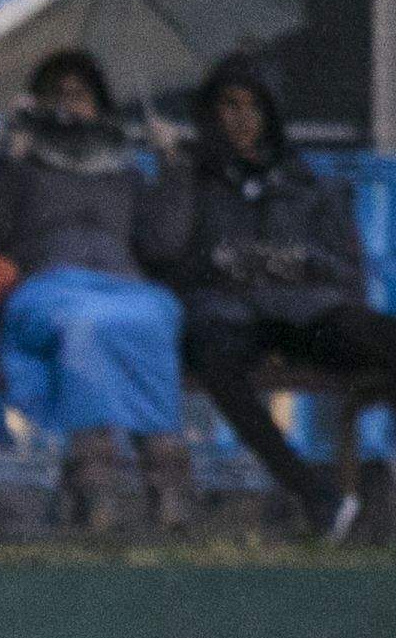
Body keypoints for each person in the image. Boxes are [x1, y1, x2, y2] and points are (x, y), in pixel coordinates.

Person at [142, 49, 394, 538]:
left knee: (377, 336)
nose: (243, 119)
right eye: (230, 106)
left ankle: (375, 488)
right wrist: (174, 170)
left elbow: (338, 264)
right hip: (226, 315)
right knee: (216, 361)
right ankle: (311, 491)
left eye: (254, 107)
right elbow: (164, 248)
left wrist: (284, 262)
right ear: (211, 113)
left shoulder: (301, 180)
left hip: (304, 311)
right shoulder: (193, 175)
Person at [0, 49, 187, 535]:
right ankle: (97, 480)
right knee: (85, 325)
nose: (71, 104)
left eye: (81, 94)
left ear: (100, 104)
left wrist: (171, 161)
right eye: (59, 95)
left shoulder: (123, 170)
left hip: (123, 289)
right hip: (48, 289)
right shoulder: (25, 163)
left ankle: (166, 480)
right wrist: (12, 153)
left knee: (153, 317)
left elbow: (164, 240)